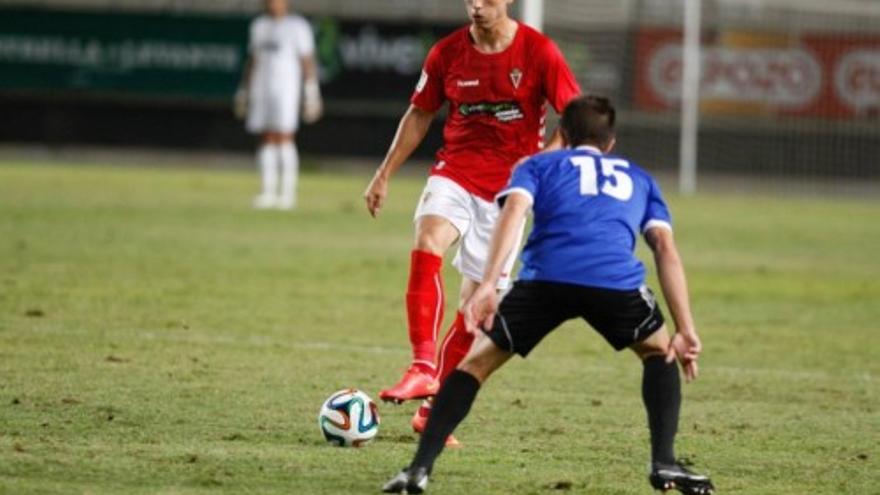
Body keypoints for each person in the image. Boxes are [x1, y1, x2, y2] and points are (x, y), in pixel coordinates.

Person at [381, 95, 715, 495]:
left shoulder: (537, 164)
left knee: (474, 366)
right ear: (611, 142)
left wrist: (488, 285)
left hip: (545, 280)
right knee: (659, 353)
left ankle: (418, 469)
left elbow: (512, 213)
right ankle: (664, 463)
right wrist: (686, 328)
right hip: (614, 282)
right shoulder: (639, 178)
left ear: (564, 135)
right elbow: (664, 248)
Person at [363, 0, 580, 446]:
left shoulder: (539, 52)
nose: (477, 6)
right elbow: (421, 112)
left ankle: (432, 411)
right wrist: (384, 172)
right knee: (428, 238)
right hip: (455, 172)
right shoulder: (446, 53)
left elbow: (574, 119)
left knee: (474, 314)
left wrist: (541, 164)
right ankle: (422, 366)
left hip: (508, 195)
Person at [236, 0, 323, 210]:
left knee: (284, 136)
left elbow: (307, 61)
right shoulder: (258, 26)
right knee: (266, 137)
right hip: (261, 89)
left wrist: (311, 93)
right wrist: (244, 90)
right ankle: (268, 191)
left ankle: (287, 193)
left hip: (286, 90)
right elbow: (253, 59)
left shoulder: (298, 26)